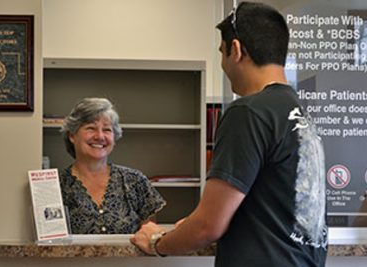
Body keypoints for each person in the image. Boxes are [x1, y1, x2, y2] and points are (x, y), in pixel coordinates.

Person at [131, 2, 328, 266]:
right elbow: (273, 208)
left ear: (235, 50)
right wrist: (193, 222)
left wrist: (157, 242)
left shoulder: (249, 112)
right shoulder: (299, 116)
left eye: (222, 52)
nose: (223, 64)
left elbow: (207, 228)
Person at [60, 97, 166, 234]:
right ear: (72, 136)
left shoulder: (135, 181)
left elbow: (150, 239)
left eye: (107, 130)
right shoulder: (56, 186)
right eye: (91, 128)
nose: (100, 136)